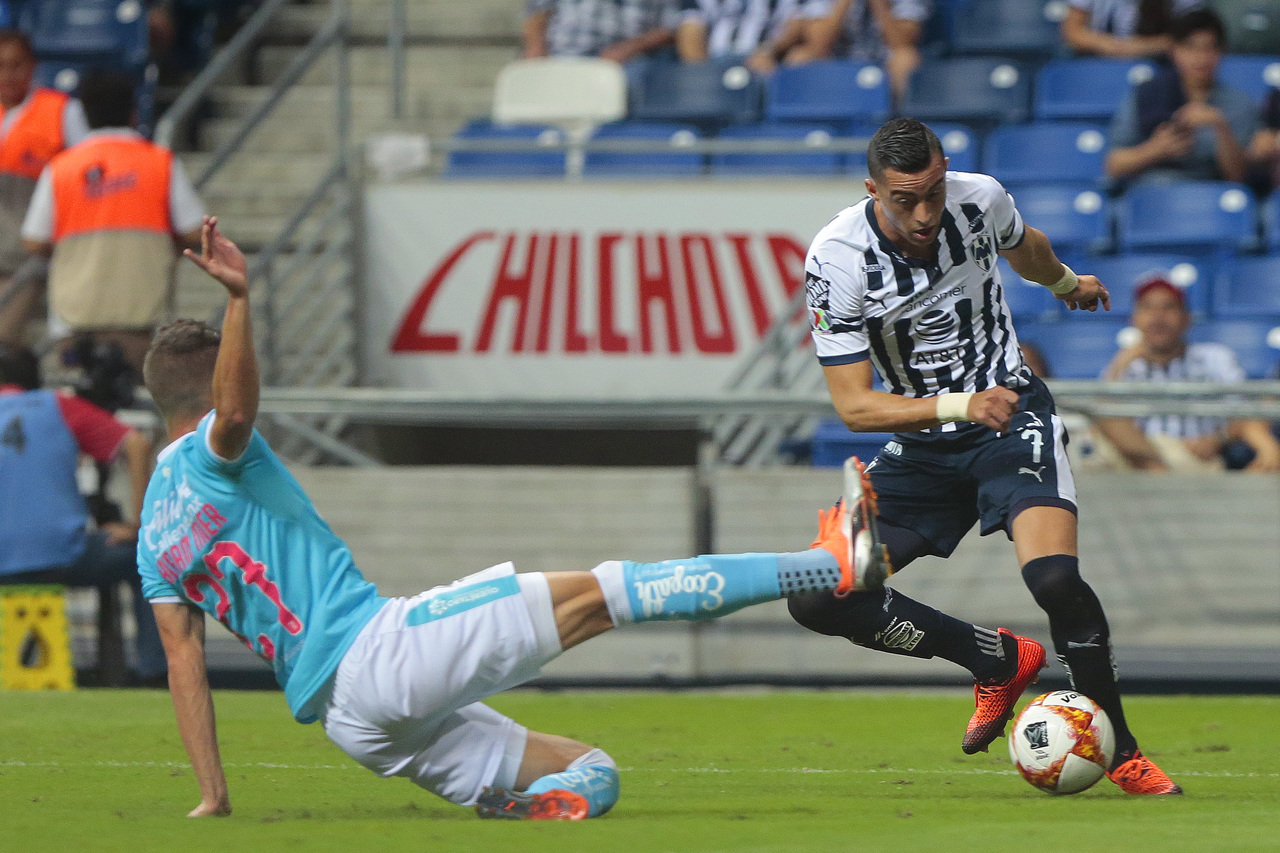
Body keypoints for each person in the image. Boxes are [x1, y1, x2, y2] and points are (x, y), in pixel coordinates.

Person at [140, 215, 896, 820]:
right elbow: (236, 410)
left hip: (351, 725)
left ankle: (527, 807)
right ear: (212, 377)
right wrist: (240, 300)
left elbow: (183, 664)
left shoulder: (154, 533)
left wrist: (214, 793)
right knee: (607, 593)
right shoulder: (217, 450)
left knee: (590, 770)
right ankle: (829, 561)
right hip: (378, 650)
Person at [790, 117, 1182, 795]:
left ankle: (1121, 751)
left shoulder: (980, 198)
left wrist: (1064, 283)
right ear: (872, 190)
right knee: (820, 597)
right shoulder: (836, 259)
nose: (923, 212)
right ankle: (993, 660)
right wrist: (957, 407)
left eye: (933, 192)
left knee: (1055, 579)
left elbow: (1023, 246)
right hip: (924, 437)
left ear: (946, 172)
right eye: (904, 199)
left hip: (1011, 413)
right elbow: (853, 405)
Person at [19, 68, 205, 374]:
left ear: (85, 114)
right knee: (141, 411)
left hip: (75, 319)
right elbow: (195, 231)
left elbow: (33, 240)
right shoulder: (161, 161)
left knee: (81, 415)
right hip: (141, 315)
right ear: (134, 113)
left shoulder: (61, 168)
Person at [0, 342, 166, 683]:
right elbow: (137, 444)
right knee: (154, 559)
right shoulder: (59, 405)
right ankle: (156, 674)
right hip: (65, 556)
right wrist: (140, 525)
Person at [1093, 276, 1280, 472]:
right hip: (1136, 458)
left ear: (1186, 317)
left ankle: (1160, 474)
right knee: (1102, 421)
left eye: (1168, 307)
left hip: (1195, 460)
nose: (1157, 318)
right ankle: (1159, 471)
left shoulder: (1215, 358)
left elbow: (1246, 414)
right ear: (1134, 319)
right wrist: (1120, 363)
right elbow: (1103, 419)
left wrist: (1218, 438)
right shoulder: (1123, 365)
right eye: (1147, 308)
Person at [0, 29, 89, 346]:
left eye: (16, 65)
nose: (7, 75)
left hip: (30, 262)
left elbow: (86, 180)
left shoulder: (62, 111)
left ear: (33, 66)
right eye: (0, 66)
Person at [1105, 9, 1256, 186]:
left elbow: (1238, 178)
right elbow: (1113, 166)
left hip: (1209, 196)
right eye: (1191, 47)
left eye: (1208, 48)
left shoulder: (1239, 103)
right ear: (1174, 51)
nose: (1200, 58)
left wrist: (1220, 127)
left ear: (1221, 52)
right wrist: (1154, 150)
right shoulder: (1145, 94)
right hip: (1151, 194)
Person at [795, 0, 931, 101]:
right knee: (800, 57)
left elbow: (902, 44)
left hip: (886, 62)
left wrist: (879, 4)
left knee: (906, 58)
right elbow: (818, 45)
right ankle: (807, 125)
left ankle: (896, 123)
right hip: (839, 60)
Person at [675, 0, 831, 76]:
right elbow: (690, 25)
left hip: (770, 60)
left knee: (800, 61)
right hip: (714, 60)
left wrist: (768, 51)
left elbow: (799, 24)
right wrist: (700, 74)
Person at [523, 0, 680, 64]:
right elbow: (537, 14)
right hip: (562, 55)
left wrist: (629, 48)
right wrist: (536, 52)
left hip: (628, 62)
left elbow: (670, 30)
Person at [1061, 0, 1203, 58]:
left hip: (1164, 64)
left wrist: (1139, 47)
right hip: (1100, 61)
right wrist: (1112, 46)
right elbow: (1072, 31)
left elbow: (1194, 34)